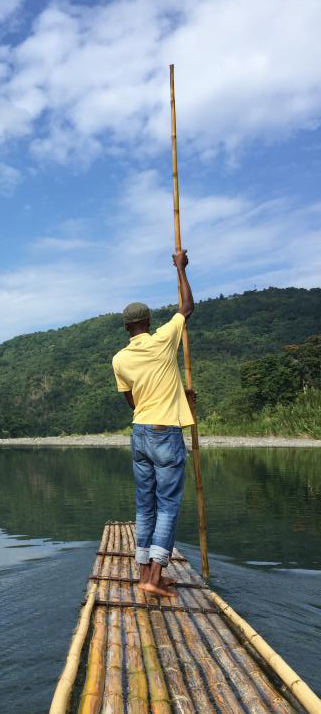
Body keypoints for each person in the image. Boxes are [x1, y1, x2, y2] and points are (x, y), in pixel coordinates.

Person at [112, 250, 195, 597]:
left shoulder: (119, 359)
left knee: (145, 504)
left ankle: (146, 571)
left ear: (127, 327)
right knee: (169, 503)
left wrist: (180, 396)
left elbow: (131, 400)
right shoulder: (163, 340)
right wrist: (180, 269)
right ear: (147, 321)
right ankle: (152, 578)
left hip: (140, 432)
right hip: (164, 432)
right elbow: (186, 307)